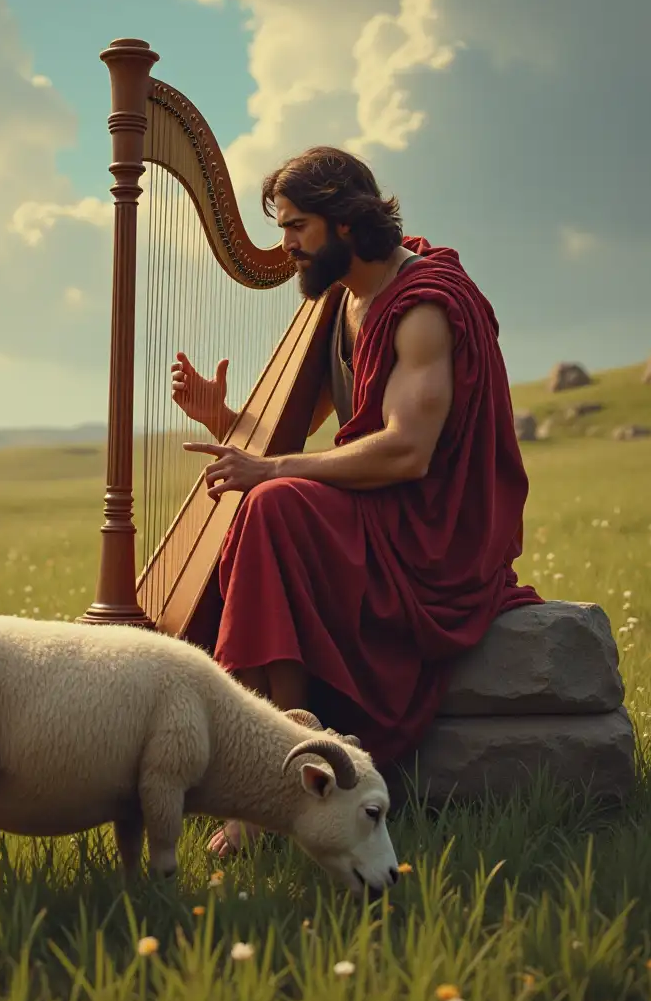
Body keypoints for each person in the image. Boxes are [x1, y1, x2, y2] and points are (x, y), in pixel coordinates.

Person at [172, 145, 541, 857]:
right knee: (266, 503)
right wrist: (223, 420)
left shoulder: (423, 308)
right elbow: (300, 429)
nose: (285, 248)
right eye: (281, 229)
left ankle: (284, 764)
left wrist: (274, 470)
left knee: (272, 505)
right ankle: (279, 759)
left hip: (429, 534)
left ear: (345, 222)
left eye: (297, 228)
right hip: (376, 508)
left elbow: (408, 450)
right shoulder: (341, 299)